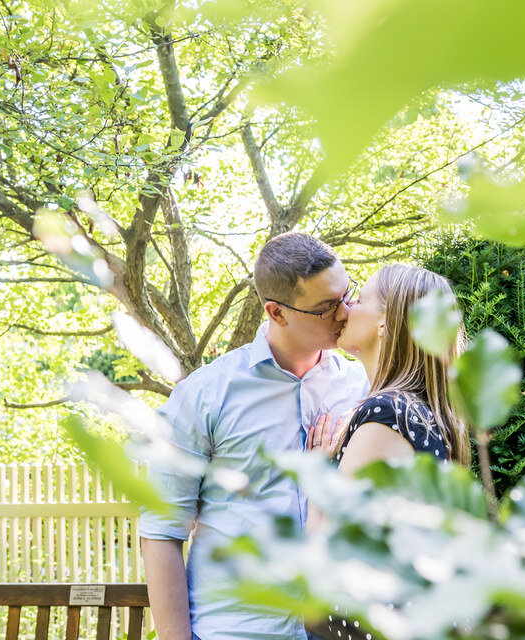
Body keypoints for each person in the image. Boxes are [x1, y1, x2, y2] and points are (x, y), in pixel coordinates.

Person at [139, 232, 370, 640]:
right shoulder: (206, 393)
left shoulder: (363, 387)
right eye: (326, 307)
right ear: (276, 313)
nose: (345, 312)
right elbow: (162, 528)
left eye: (347, 295)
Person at [306, 262, 471, 478]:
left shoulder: (389, 414)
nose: (345, 310)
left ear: (384, 321)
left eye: (360, 300)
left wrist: (317, 474)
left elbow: (334, 514)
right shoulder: (412, 413)